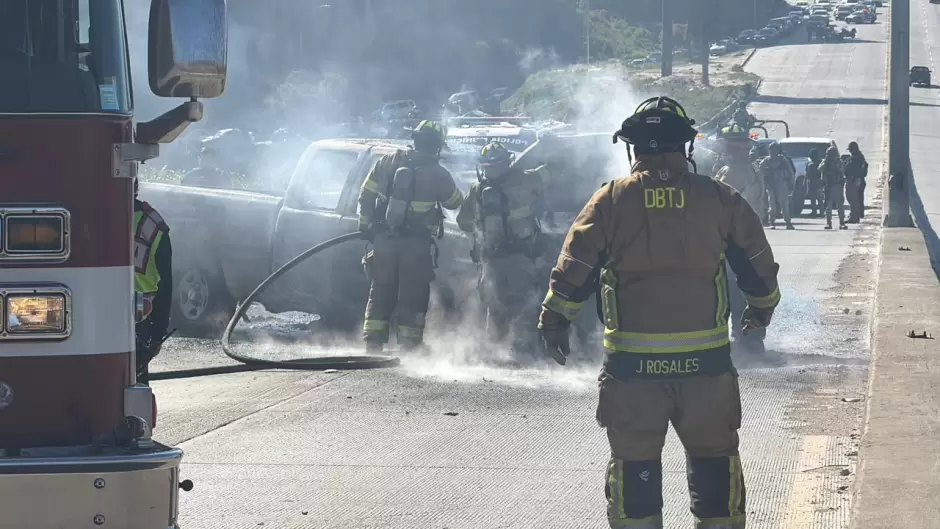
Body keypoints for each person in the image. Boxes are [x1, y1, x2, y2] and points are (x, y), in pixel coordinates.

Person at [538, 95, 781, 529]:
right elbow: (759, 269)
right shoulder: (721, 199)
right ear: (685, 147)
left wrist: (555, 319)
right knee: (714, 468)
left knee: (635, 471)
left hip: (633, 374)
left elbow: (575, 270)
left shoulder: (610, 201)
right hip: (706, 372)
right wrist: (760, 313)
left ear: (635, 149)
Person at [357, 120, 463, 353]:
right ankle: (409, 345)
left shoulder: (387, 161)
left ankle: (373, 342)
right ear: (436, 146)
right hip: (415, 244)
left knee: (381, 287)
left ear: (415, 139)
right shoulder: (438, 173)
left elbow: (366, 193)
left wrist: (366, 226)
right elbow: (455, 202)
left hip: (384, 240)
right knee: (412, 292)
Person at [455, 141, 546, 352]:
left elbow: (462, 221)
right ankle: (523, 350)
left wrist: (482, 226)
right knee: (523, 302)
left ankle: (495, 350)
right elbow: (549, 173)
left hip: (490, 258)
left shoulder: (477, 190)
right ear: (508, 162)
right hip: (520, 256)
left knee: (494, 304)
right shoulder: (524, 180)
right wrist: (544, 143)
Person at [133, 178, 173, 385]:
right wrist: (158, 331)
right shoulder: (153, 224)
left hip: (91, 319)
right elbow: (165, 283)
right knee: (135, 386)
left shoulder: (87, 214)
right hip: (138, 320)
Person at [714, 125, 767, 226]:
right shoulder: (750, 167)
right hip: (748, 225)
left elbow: (723, 202)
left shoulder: (731, 172)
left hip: (737, 227)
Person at [759, 142, 796, 230]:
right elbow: (760, 170)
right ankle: (772, 222)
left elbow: (790, 172)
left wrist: (791, 183)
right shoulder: (767, 160)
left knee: (784, 204)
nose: (773, 152)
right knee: (772, 204)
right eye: (771, 150)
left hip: (781, 183)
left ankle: (788, 222)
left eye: (775, 149)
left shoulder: (782, 160)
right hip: (770, 184)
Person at [819, 146, 848, 230]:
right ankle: (828, 222)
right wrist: (826, 162)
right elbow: (820, 169)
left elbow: (842, 170)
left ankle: (842, 222)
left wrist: (836, 165)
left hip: (837, 185)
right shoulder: (825, 162)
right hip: (828, 186)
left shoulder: (839, 162)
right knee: (828, 205)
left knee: (839, 205)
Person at [843, 141, 868, 223]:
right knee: (857, 199)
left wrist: (845, 164)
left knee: (853, 199)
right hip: (858, 180)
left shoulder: (856, 158)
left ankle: (854, 217)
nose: (850, 151)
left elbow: (849, 169)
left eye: (850, 149)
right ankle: (855, 215)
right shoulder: (859, 157)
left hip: (854, 180)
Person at [805, 149, 824, 217]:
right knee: (815, 198)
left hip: (815, 182)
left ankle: (818, 212)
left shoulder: (812, 164)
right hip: (815, 182)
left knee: (817, 198)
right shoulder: (820, 162)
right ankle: (817, 212)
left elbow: (807, 174)